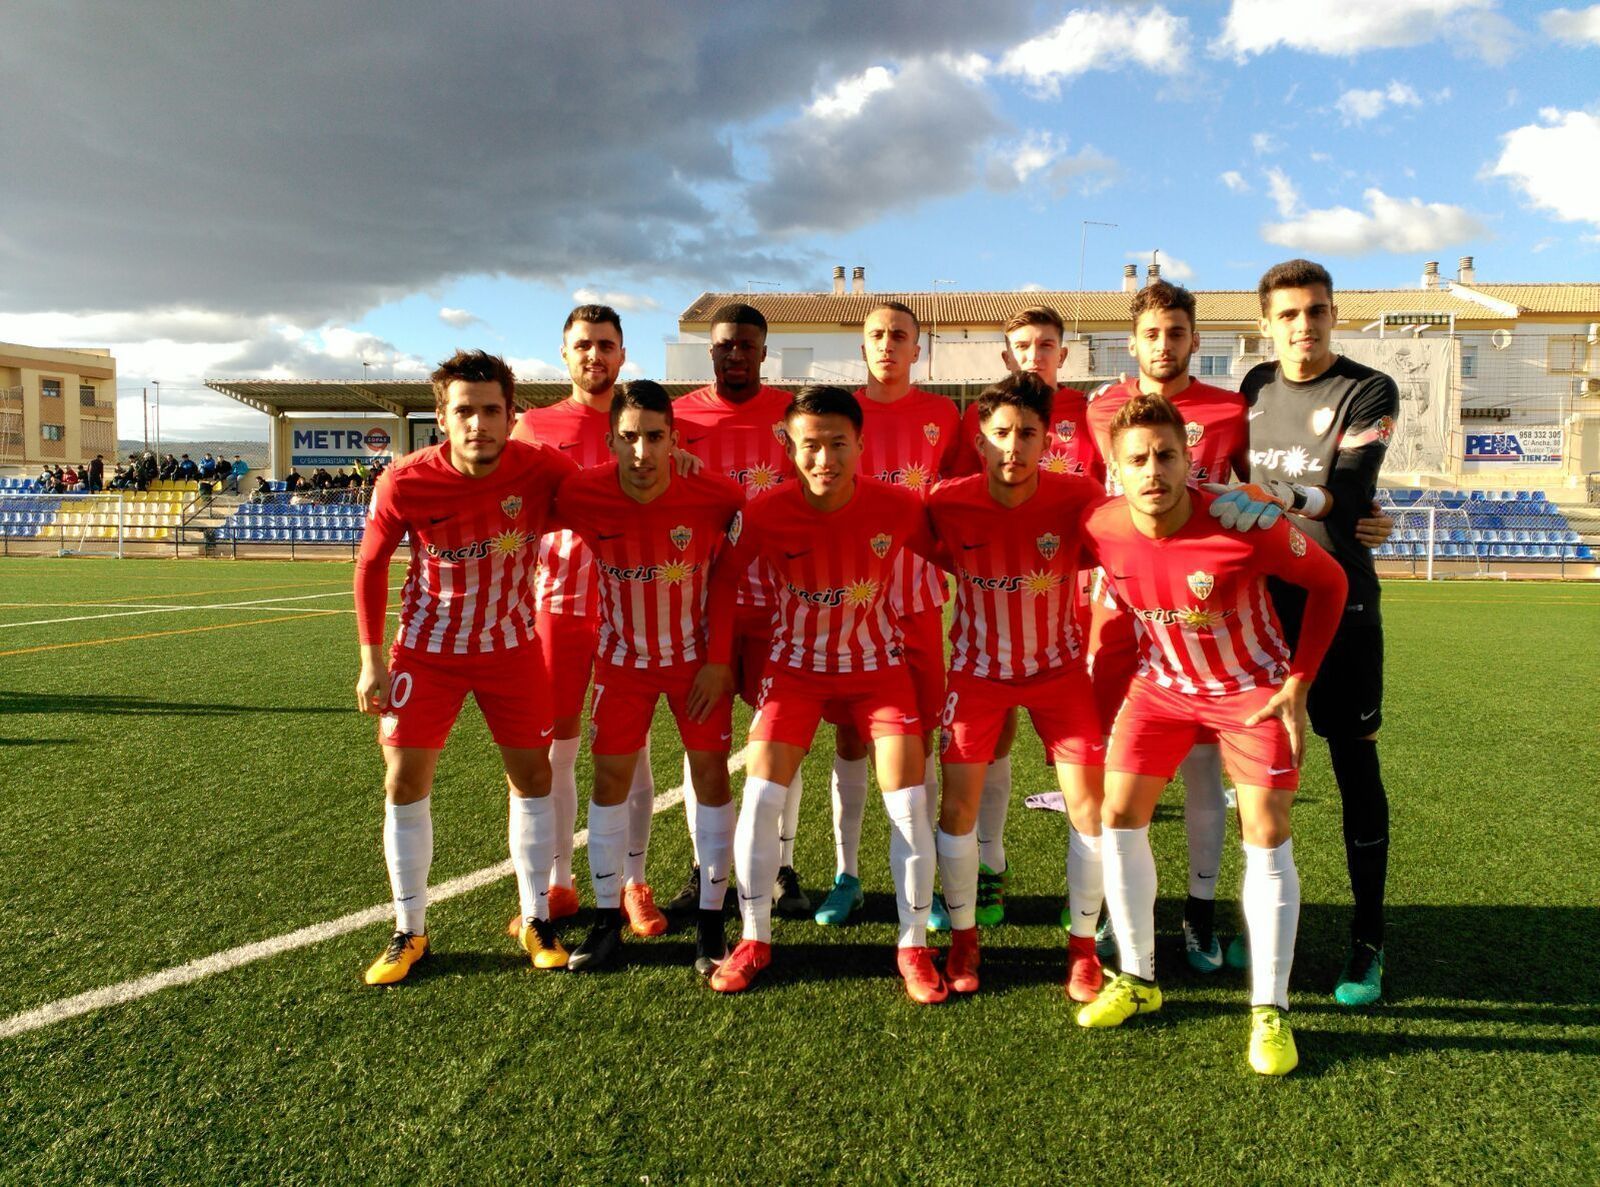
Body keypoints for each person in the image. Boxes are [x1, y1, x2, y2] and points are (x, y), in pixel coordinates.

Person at [1076, 392, 1347, 1077]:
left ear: (1188, 456)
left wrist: (1300, 678)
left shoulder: (1238, 523)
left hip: (1252, 688)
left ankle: (1270, 1008)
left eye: (1166, 454)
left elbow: (1331, 582)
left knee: (1266, 824)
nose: (1153, 469)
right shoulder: (1102, 525)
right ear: (1115, 467)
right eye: (1136, 457)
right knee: (1117, 814)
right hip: (1163, 687)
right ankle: (1137, 976)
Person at [703, 385, 947, 1002]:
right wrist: (715, 663)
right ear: (789, 447)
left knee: (910, 805)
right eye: (810, 445)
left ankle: (913, 944)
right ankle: (754, 936)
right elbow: (725, 581)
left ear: (861, 444)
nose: (824, 459)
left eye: (838, 444)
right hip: (795, 672)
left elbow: (963, 548)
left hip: (877, 671)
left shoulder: (897, 505)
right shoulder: (765, 510)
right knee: (759, 797)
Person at [353, 349, 579, 985]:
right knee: (403, 779)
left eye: (490, 410)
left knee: (534, 777)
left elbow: (604, 494)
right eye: (464, 411)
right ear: (441, 417)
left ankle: (536, 918)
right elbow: (370, 566)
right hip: (426, 654)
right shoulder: (405, 480)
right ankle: (408, 929)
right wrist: (372, 661)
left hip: (511, 651)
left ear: (512, 416)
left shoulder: (541, 468)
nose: (477, 423)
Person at [1238, 258, 1400, 1007]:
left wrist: (1263, 495)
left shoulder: (1368, 389)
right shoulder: (1252, 388)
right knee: (1257, 773)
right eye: (1291, 313)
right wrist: (1308, 500)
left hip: (1342, 606)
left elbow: (1355, 491)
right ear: (1266, 322)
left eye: (1318, 311)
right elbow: (1319, 496)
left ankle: (1368, 939)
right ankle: (1259, 918)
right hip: (1260, 608)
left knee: (1352, 766)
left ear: (1334, 315)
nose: (1305, 325)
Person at [550, 380, 745, 974]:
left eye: (655, 437)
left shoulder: (716, 494)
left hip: (695, 664)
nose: (642, 452)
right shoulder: (582, 491)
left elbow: (727, 579)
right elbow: (522, 487)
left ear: (674, 438)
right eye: (629, 437)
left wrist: (718, 660)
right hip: (620, 663)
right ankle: (607, 921)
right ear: (610, 439)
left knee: (710, 775)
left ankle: (712, 925)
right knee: (610, 780)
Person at [926, 372, 1107, 997]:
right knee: (958, 807)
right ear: (980, 440)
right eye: (1001, 432)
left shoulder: (1078, 495)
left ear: (1046, 439)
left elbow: (1122, 542)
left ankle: (1083, 948)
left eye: (1027, 433)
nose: (1013, 445)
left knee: (1090, 808)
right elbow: (928, 547)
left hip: (1060, 673)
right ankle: (964, 939)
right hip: (977, 674)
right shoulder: (947, 502)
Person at [511, 304, 669, 935]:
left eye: (606, 344)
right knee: (557, 749)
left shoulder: (642, 422)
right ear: (564, 353)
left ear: (623, 354)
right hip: (558, 607)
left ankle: (633, 881)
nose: (594, 355)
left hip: (630, 605)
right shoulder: (534, 425)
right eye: (583, 344)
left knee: (630, 749)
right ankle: (556, 882)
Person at [816, 301, 960, 929]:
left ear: (917, 348)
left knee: (920, 734)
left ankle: (919, 874)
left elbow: (954, 497)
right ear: (863, 346)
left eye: (900, 336)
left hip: (919, 597)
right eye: (876, 335)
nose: (887, 345)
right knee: (849, 735)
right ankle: (847, 873)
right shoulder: (840, 410)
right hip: (849, 601)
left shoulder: (943, 415)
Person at [669, 302, 801, 918]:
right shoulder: (679, 417)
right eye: (726, 345)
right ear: (711, 350)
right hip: (703, 605)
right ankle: (705, 867)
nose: (736, 354)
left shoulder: (792, 415)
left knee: (780, 740)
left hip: (780, 606)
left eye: (748, 345)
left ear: (764, 351)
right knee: (706, 744)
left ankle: (783, 868)